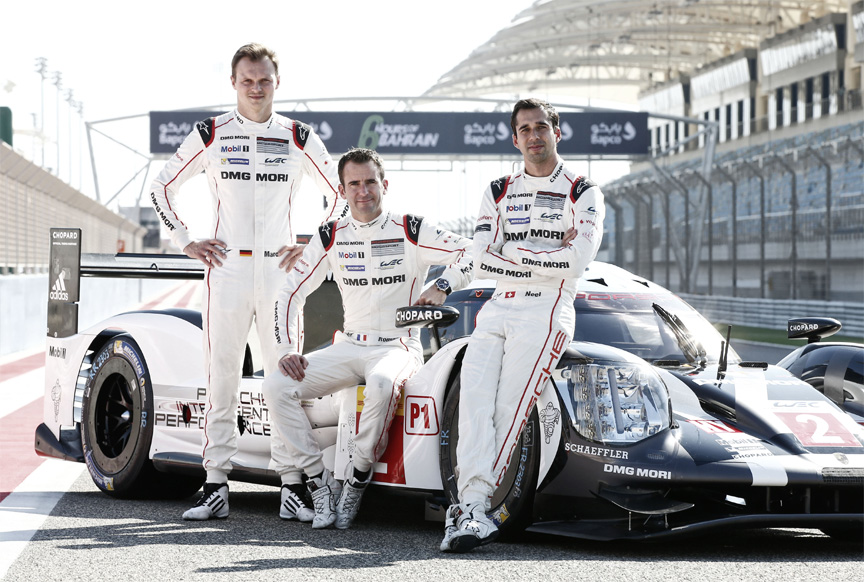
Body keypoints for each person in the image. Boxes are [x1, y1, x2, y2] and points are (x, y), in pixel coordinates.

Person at [149, 43, 347, 522]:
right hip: (226, 269)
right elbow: (161, 186)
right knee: (222, 376)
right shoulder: (212, 132)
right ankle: (215, 482)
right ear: (234, 83)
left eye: (264, 80)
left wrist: (313, 245)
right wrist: (185, 241)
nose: (256, 88)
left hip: (280, 274)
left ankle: (292, 485)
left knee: (285, 376)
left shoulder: (298, 136)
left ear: (277, 83)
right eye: (247, 80)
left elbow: (341, 193)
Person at [262, 147, 474, 529]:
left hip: (397, 347)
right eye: (354, 184)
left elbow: (470, 251)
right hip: (349, 345)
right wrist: (284, 350)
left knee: (379, 383)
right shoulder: (330, 235)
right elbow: (288, 292)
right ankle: (319, 484)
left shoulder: (410, 228)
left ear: (384, 184)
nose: (363, 191)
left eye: (370, 182)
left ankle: (357, 480)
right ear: (342, 191)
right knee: (277, 385)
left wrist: (443, 284)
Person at [440, 98, 606, 552]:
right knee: (473, 404)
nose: (534, 136)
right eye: (525, 129)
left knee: (507, 411)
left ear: (557, 132)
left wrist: (510, 257)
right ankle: (469, 506)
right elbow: (479, 256)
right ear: (515, 139)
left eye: (541, 127)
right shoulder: (497, 189)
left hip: (547, 310)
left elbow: (577, 260)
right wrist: (542, 261)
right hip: (497, 307)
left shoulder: (583, 190)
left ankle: (476, 509)